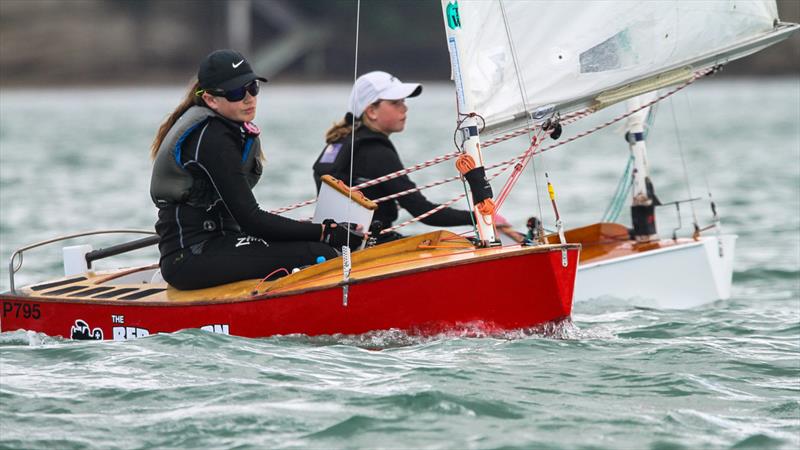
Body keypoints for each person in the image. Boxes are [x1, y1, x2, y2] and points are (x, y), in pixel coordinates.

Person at [150, 49, 362, 290]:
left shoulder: (228, 129)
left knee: (319, 246)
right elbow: (252, 220)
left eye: (253, 87)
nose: (248, 98)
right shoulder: (212, 138)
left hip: (222, 242)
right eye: (236, 92)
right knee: (319, 252)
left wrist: (321, 230)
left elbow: (249, 220)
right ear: (210, 99)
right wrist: (324, 232)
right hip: (189, 258)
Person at [313, 71, 475, 243]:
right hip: (369, 247)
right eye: (395, 102)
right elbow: (422, 211)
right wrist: (477, 217)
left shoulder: (339, 143)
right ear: (372, 111)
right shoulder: (376, 151)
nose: (404, 107)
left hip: (337, 246)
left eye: (403, 101)